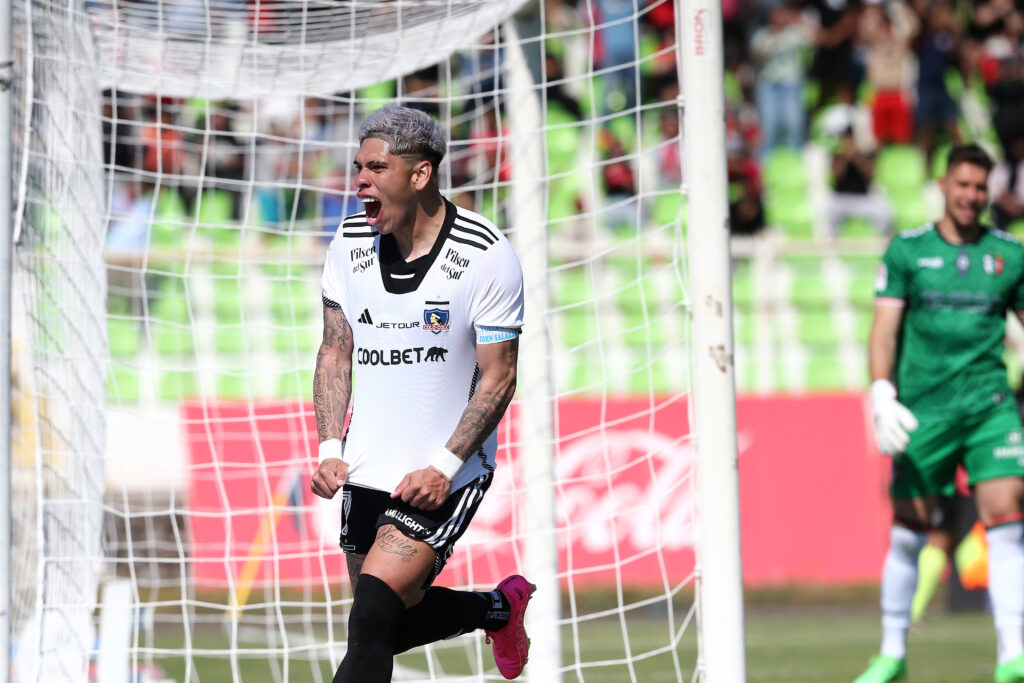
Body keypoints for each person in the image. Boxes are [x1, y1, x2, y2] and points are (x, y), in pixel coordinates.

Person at [309, 105, 535, 682]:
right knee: (385, 626)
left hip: (444, 471)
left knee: (369, 624)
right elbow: (336, 349)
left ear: (420, 174)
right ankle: (498, 608)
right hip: (365, 464)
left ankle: (496, 607)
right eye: (357, 167)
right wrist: (329, 445)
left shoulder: (485, 256)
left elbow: (499, 376)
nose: (358, 180)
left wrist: (445, 464)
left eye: (375, 167)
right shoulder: (350, 240)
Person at [856, 143, 1024, 683]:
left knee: (1006, 519)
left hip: (988, 407)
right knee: (908, 532)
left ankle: (1013, 657)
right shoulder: (906, 252)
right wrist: (882, 392)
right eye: (963, 185)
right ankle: (892, 653)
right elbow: (883, 330)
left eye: (980, 187)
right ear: (943, 185)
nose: (972, 196)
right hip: (924, 411)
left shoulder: (1010, 255)